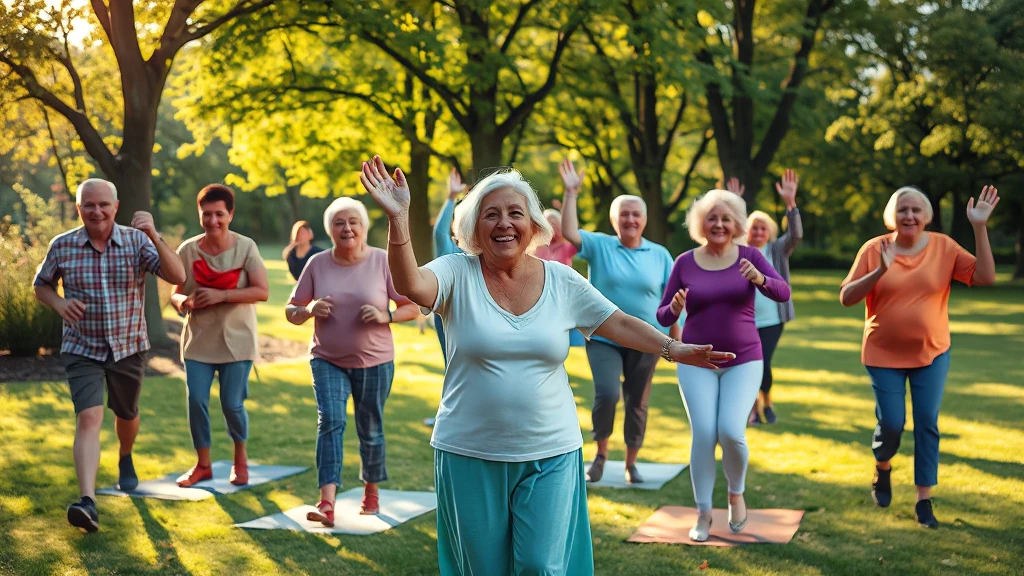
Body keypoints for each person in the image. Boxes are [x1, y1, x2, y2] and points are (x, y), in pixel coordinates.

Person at [359, 154, 733, 575]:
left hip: (550, 450)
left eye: (515, 213)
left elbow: (620, 323)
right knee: (483, 569)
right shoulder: (455, 273)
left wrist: (673, 348)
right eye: (491, 215)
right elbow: (411, 285)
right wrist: (399, 219)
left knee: (541, 566)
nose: (504, 223)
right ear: (474, 228)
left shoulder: (562, 280)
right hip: (469, 450)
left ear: (534, 227)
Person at [839, 185, 999, 528]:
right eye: (902, 210)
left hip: (932, 351)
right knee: (892, 424)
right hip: (882, 354)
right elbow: (846, 297)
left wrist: (979, 227)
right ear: (891, 216)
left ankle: (924, 501)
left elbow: (985, 277)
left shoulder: (944, 246)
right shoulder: (874, 249)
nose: (908, 216)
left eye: (915, 210)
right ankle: (883, 467)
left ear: (925, 215)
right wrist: (878, 271)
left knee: (927, 423)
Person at [33, 179, 186, 532]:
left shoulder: (136, 241)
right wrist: (59, 303)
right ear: (79, 208)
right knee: (89, 417)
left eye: (104, 204)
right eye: (89, 205)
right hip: (81, 347)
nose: (96, 211)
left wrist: (154, 235)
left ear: (116, 207)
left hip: (128, 345)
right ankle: (88, 502)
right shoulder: (64, 245)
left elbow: (178, 275)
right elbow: (41, 284)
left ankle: (125, 456)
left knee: (127, 413)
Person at [656, 189, 791, 542]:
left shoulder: (749, 256)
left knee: (731, 430)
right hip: (696, 360)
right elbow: (662, 313)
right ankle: (702, 514)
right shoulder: (685, 261)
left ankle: (736, 493)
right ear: (702, 223)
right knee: (703, 433)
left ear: (737, 224)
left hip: (744, 359)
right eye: (712, 218)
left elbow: (783, 292)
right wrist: (675, 307)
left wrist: (760, 279)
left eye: (725, 218)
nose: (718, 224)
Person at [285, 196, 420, 526]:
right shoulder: (316, 264)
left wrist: (385, 315)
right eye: (339, 223)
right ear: (330, 230)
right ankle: (327, 502)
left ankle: (371, 491)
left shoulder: (382, 261)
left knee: (370, 429)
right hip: (327, 358)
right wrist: (308, 310)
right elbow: (291, 310)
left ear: (363, 227)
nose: (347, 228)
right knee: (330, 421)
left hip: (375, 361)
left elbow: (412, 306)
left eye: (353, 222)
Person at [559, 158, 681, 485]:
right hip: (604, 337)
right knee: (607, 393)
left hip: (647, 339)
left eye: (635, 214)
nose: (630, 219)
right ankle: (600, 453)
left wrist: (676, 342)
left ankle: (631, 462)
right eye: (623, 213)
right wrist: (572, 192)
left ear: (644, 220)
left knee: (637, 402)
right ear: (614, 220)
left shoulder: (660, 255)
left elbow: (673, 302)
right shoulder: (600, 245)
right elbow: (569, 232)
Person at [170, 184, 270, 488]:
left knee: (232, 404)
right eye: (207, 214)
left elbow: (262, 291)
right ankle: (203, 465)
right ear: (199, 214)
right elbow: (174, 294)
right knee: (197, 400)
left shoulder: (246, 247)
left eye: (219, 214)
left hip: (237, 342)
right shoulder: (187, 250)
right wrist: (183, 302)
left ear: (231, 214)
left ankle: (240, 460)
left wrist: (220, 295)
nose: (213, 220)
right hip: (199, 341)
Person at [725, 170, 803, 424]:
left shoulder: (777, 250)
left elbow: (796, 234)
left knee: (763, 362)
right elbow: (729, 229)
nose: (758, 232)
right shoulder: (739, 251)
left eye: (762, 228)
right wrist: (735, 204)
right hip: (744, 320)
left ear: (769, 231)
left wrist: (790, 204)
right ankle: (753, 409)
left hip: (772, 320)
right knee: (748, 364)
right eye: (753, 228)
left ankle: (766, 402)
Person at [533, 207, 584, 347]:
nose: (552, 227)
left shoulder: (567, 247)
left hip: (563, 297)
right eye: (548, 223)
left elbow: (577, 237)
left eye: (555, 223)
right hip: (539, 296)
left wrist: (569, 214)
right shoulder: (534, 248)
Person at [431, 168, 466, 363]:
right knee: (454, 366)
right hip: (448, 316)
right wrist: (452, 197)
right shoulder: (450, 250)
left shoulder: (488, 252)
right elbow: (439, 232)